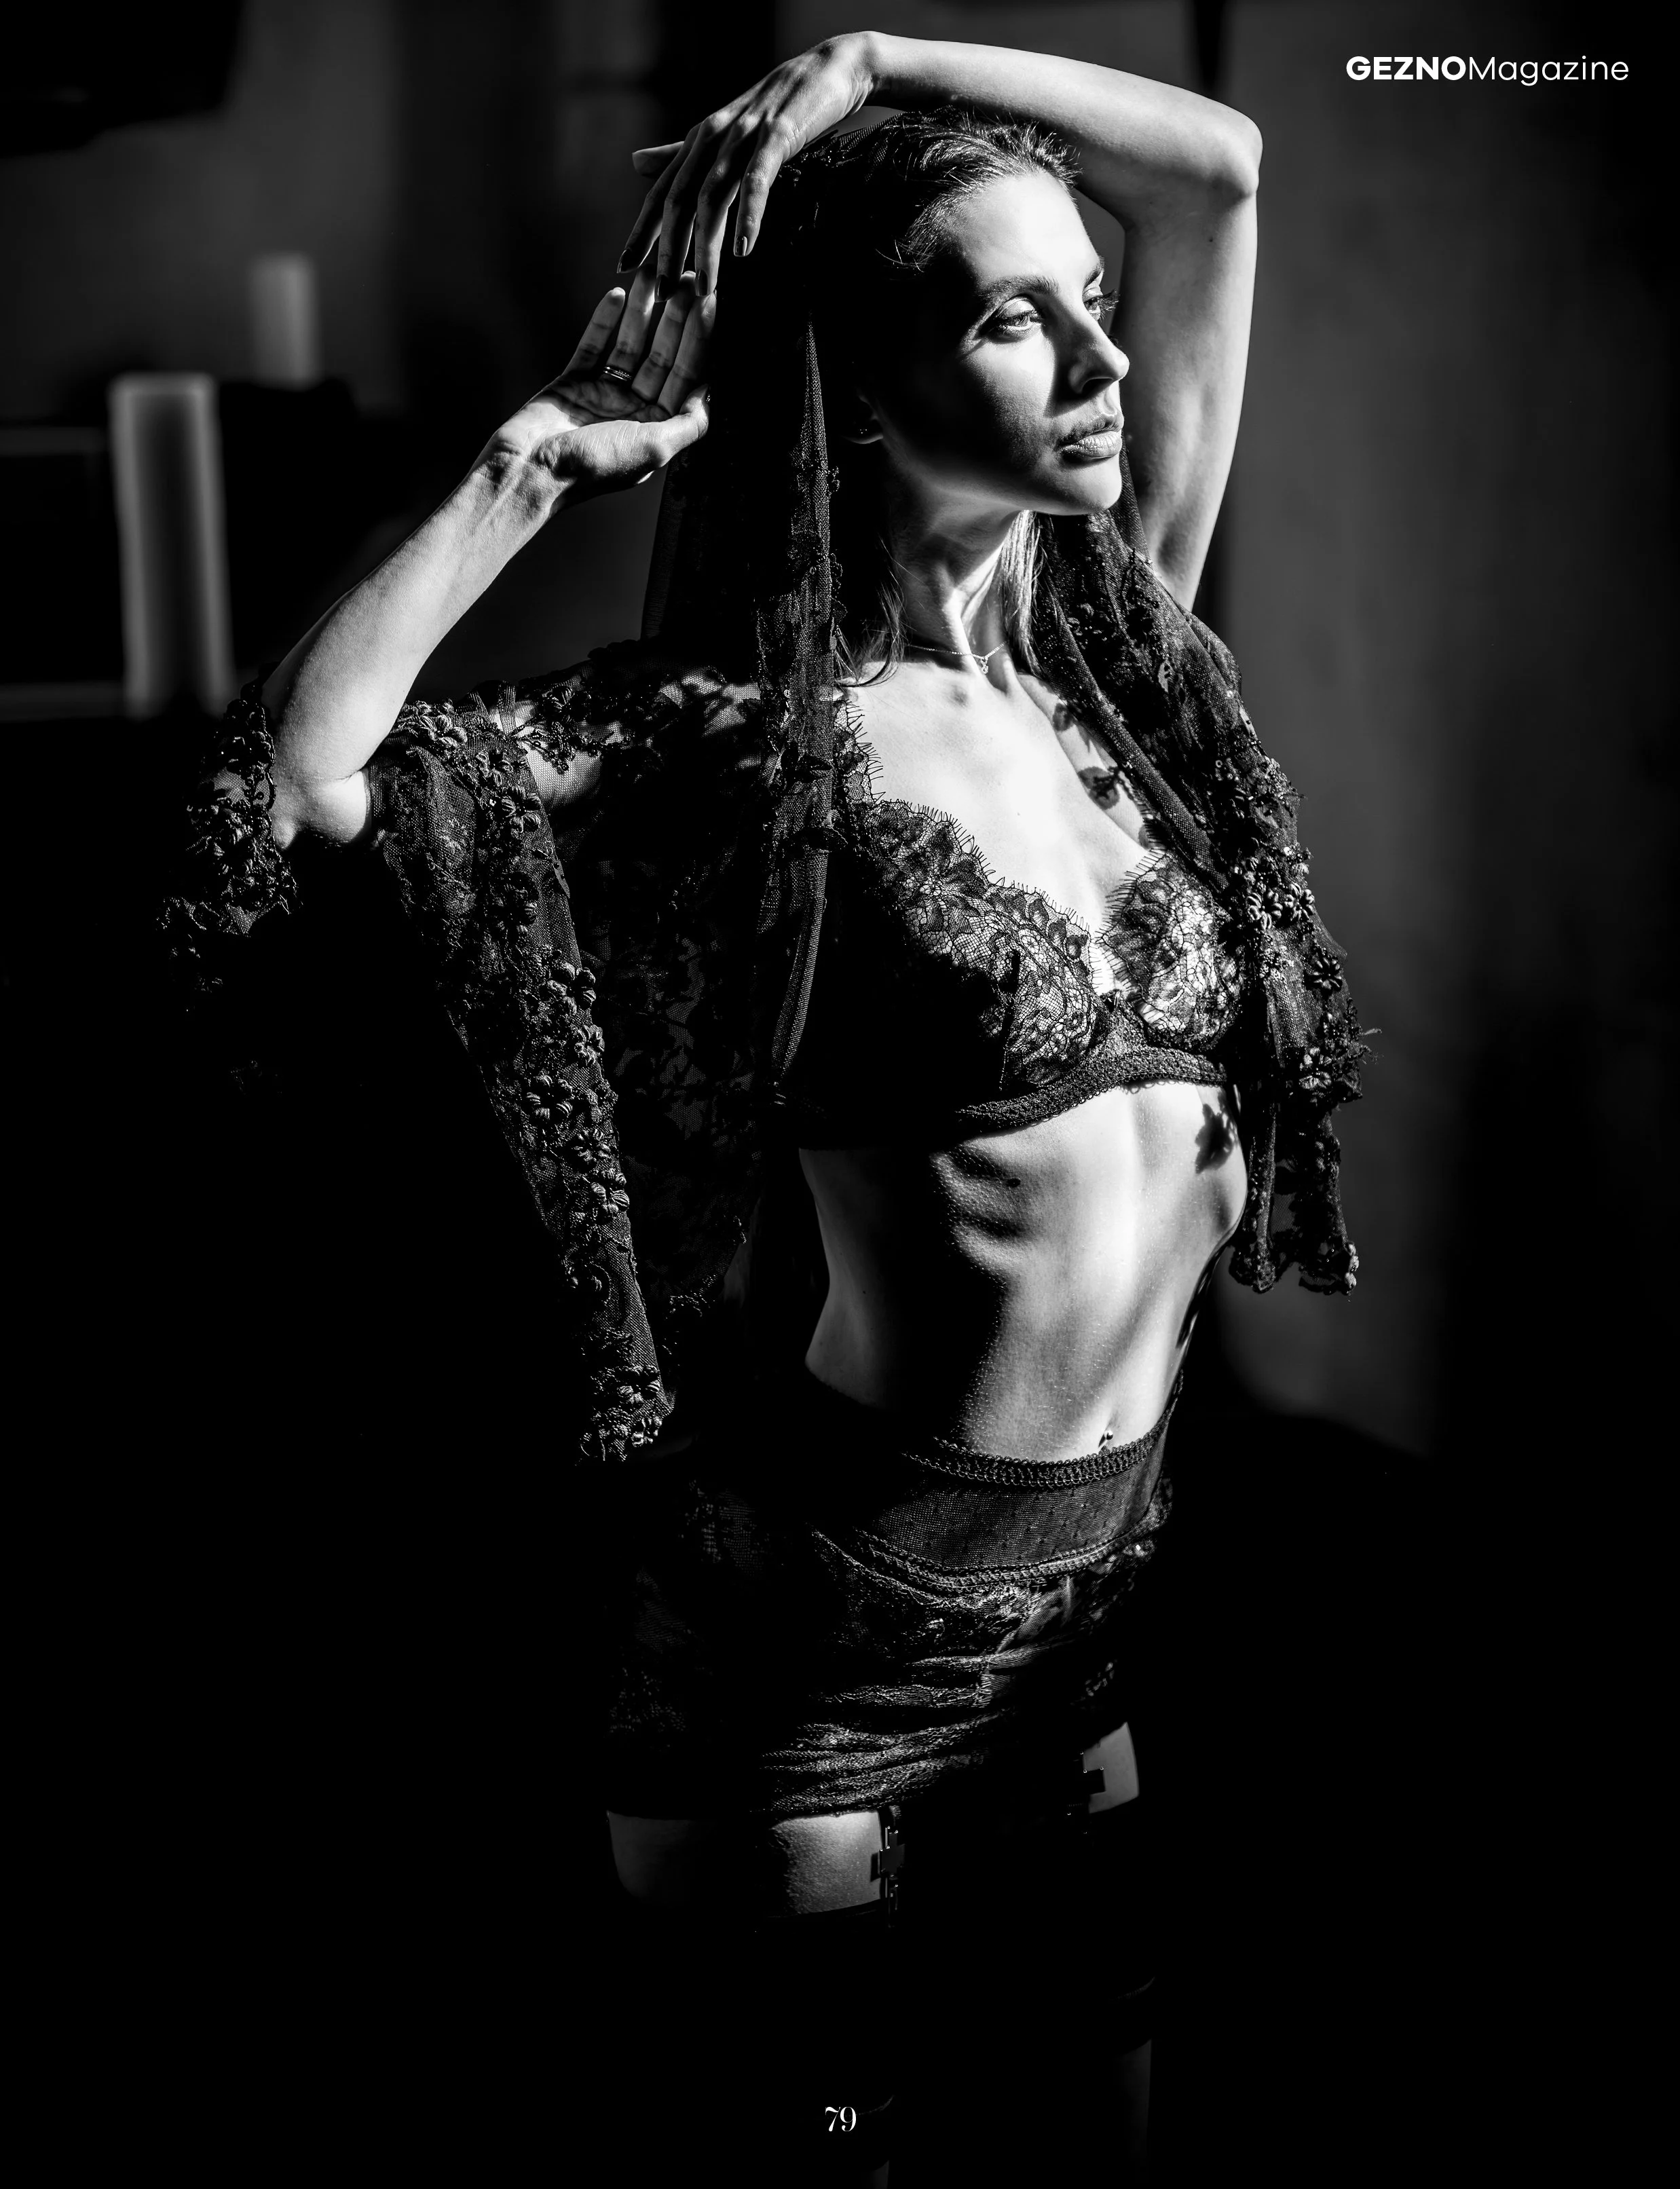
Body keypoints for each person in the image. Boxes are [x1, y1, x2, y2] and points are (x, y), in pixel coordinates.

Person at [166, 31, 1364, 2186]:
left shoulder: (1124, 656)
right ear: (860, 383)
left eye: (1095, 300)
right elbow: (292, 793)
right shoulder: (737, 750)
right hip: (802, 1658)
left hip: (1083, 1629)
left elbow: (1219, 167)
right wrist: (536, 461)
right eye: (1014, 318)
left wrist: (870, 60)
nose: (1105, 358)